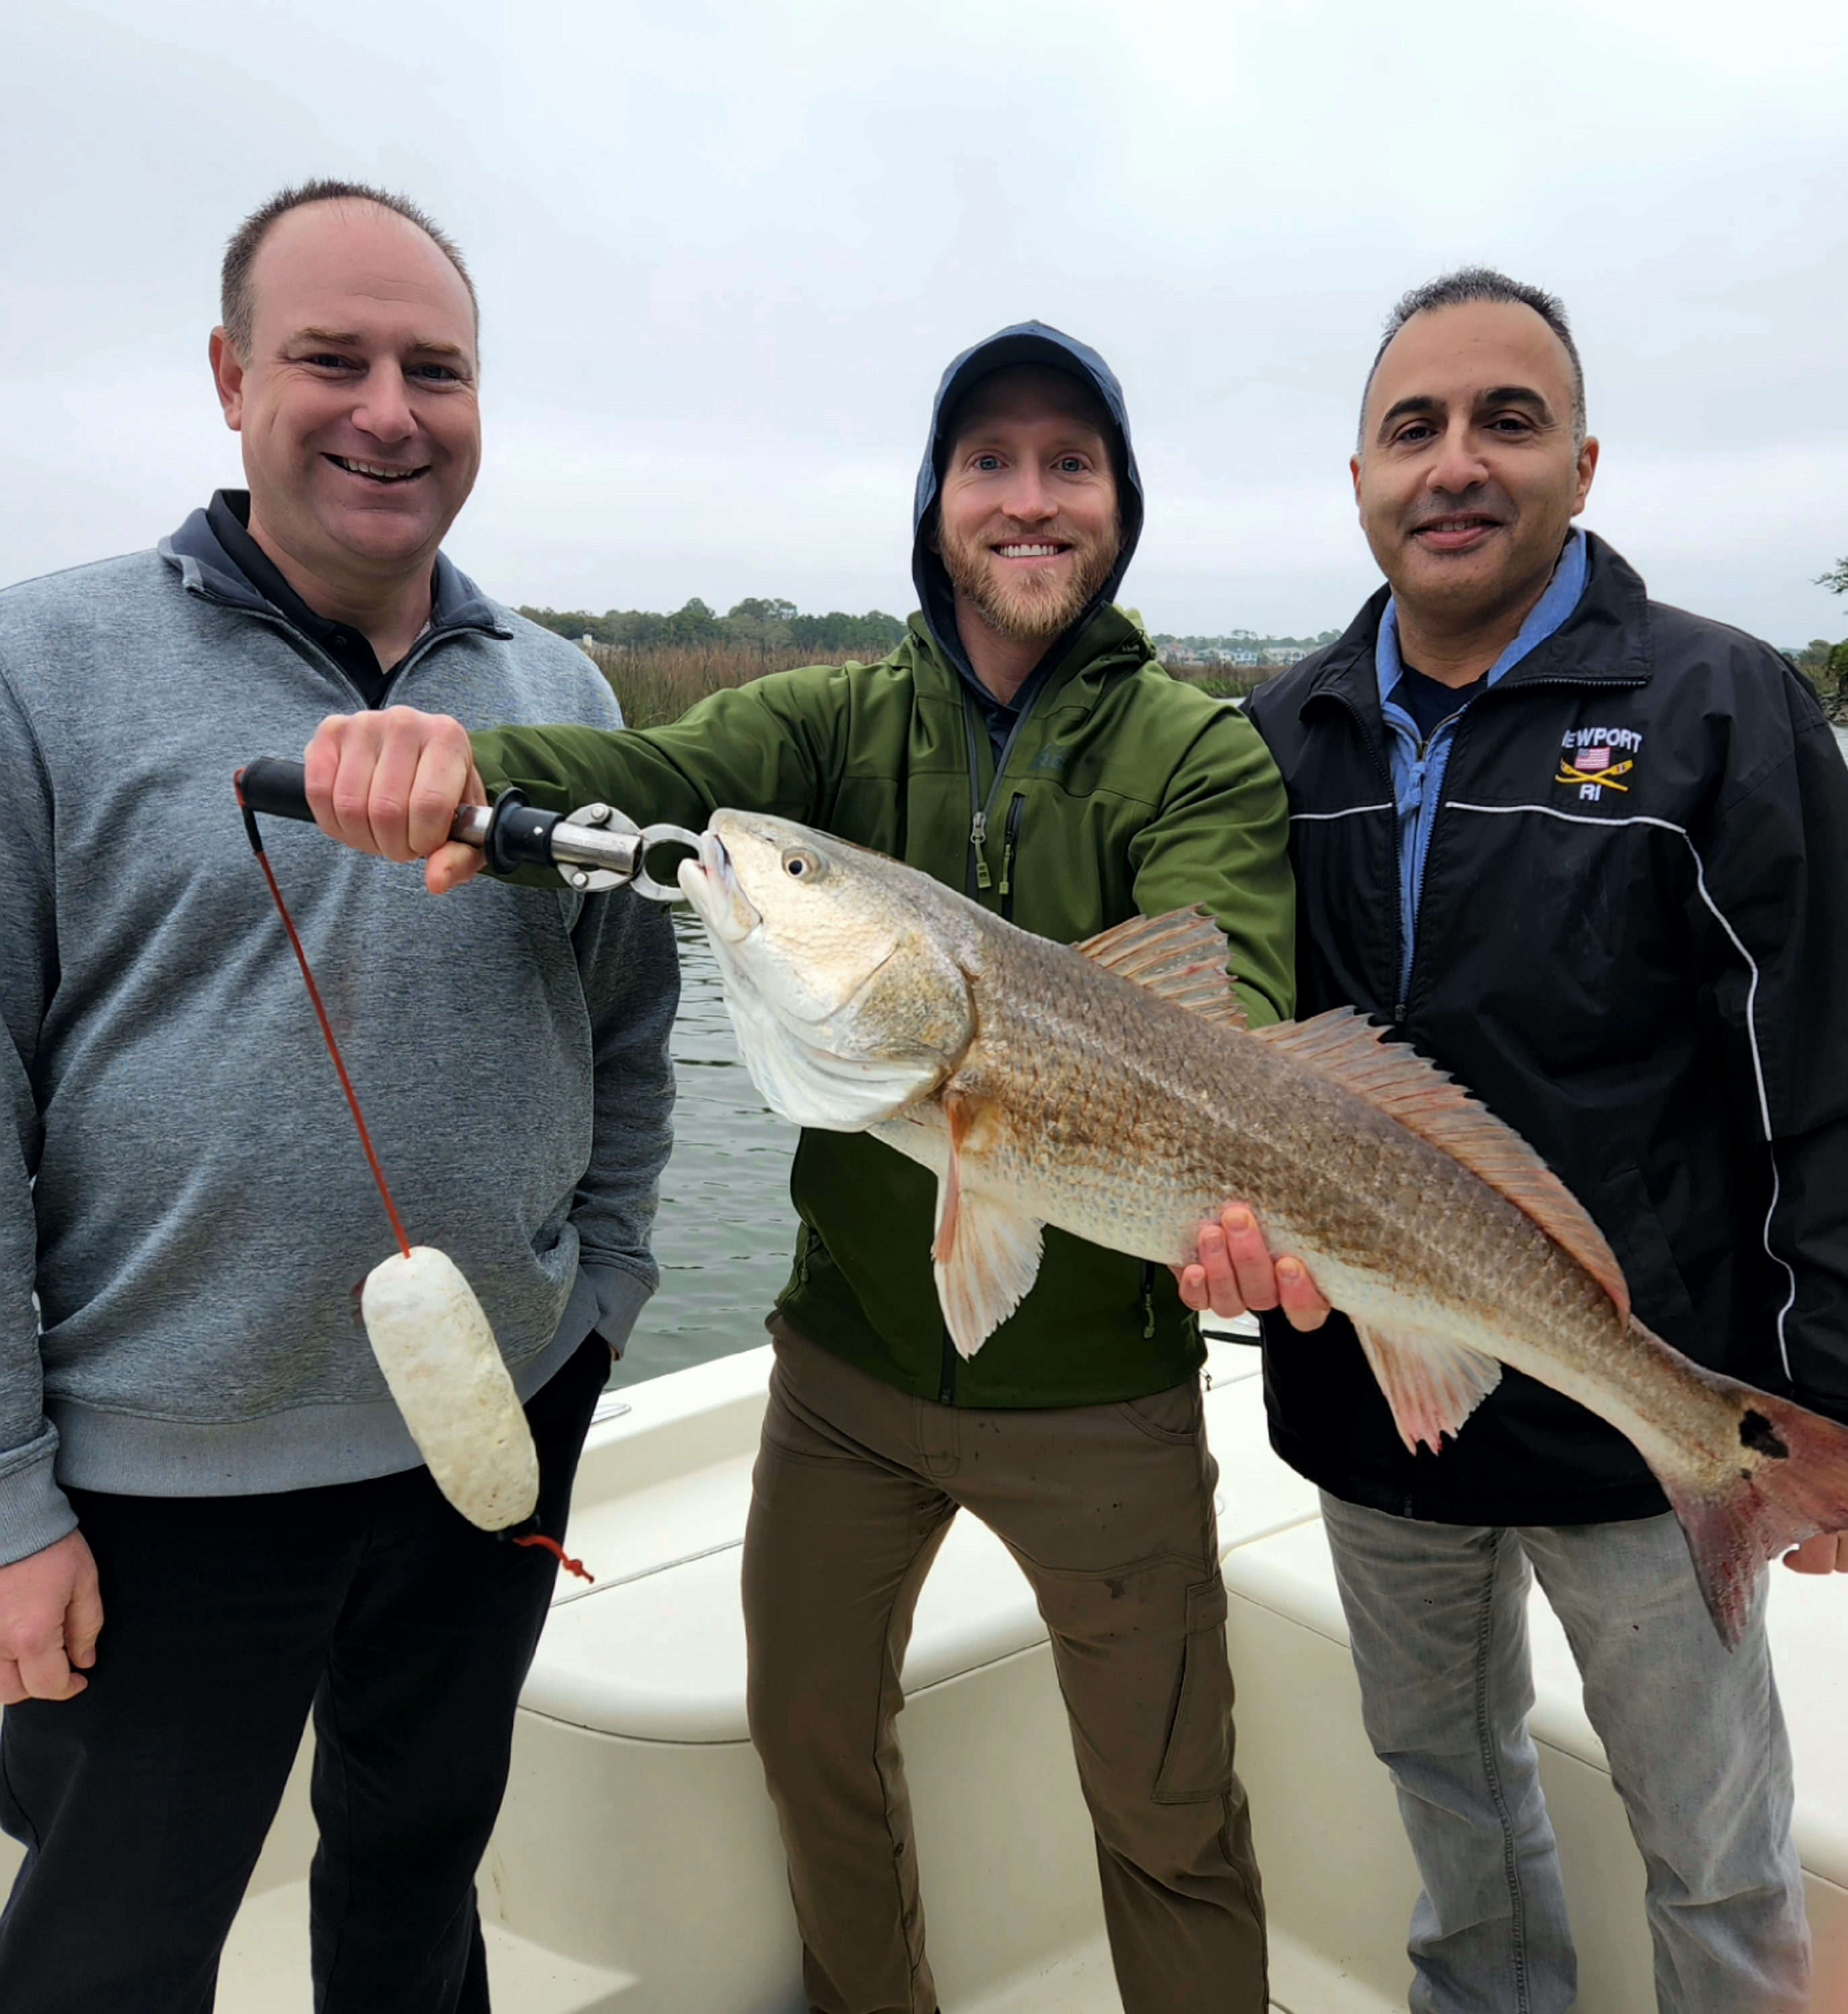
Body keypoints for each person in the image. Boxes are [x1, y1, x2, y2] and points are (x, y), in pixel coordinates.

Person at [299, 321, 1323, 2014]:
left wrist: (1233, 1209)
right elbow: (657, 784)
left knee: (1166, 1801)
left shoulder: (1194, 751)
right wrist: (465, 769)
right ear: (933, 505)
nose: (1028, 501)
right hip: (842, 1365)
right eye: (987, 463)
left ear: (1120, 507)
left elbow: (1239, 1022)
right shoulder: (835, 724)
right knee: (811, 1745)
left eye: (1069, 465)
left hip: (1102, 1390)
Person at [0, 180, 677, 2011]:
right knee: (108, 1953)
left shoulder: (557, 686)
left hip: (492, 1447)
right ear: (231, 379)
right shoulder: (35, 666)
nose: (390, 408)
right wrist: (11, 1503)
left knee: (413, 1886)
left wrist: (598, 1304)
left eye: (435, 370)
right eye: (332, 359)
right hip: (159, 1489)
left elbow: (626, 1034)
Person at [1221, 267, 1848, 2014]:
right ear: (1355, 477)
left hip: (1646, 1426)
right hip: (1372, 1408)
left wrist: (1830, 1387)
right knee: (1453, 1813)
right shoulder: (1272, 741)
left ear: (1583, 463)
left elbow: (1827, 1069)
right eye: (1409, 427)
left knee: (1716, 1859)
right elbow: (1240, 1077)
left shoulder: (1722, 713)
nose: (1455, 463)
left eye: (1506, 419)